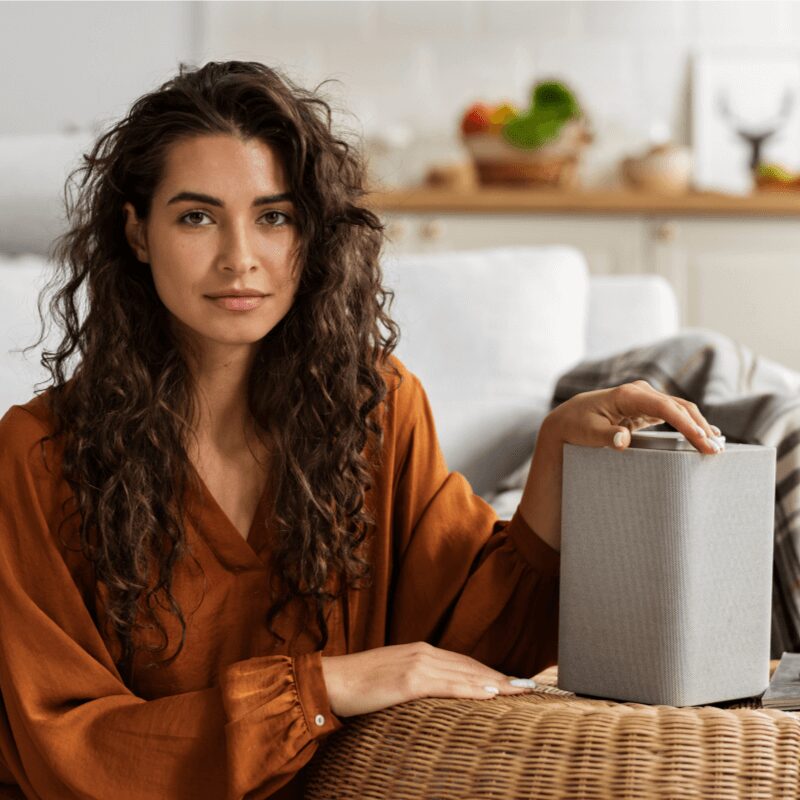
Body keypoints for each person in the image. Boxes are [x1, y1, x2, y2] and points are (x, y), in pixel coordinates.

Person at [0, 61, 723, 800]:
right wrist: (323, 686)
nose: (239, 258)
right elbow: (65, 751)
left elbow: (471, 647)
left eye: (274, 217)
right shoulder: (36, 456)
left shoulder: (374, 406)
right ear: (138, 233)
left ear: (311, 235)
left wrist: (555, 456)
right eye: (197, 216)